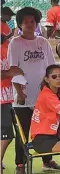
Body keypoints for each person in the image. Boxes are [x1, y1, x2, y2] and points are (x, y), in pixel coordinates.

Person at [8, 7, 60, 172]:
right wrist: (19, 92)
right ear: (20, 24)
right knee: (23, 132)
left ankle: (47, 161)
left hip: (44, 96)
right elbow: (14, 69)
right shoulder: (15, 43)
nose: (30, 25)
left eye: (33, 21)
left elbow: (51, 68)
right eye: (26, 22)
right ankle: (20, 164)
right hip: (23, 97)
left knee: (46, 129)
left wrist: (53, 89)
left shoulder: (43, 42)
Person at [1, 12, 23, 171]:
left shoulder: (8, 48)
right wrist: (12, 72)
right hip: (2, 98)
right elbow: (9, 72)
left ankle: (20, 163)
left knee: (18, 133)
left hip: (12, 97)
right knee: (7, 134)